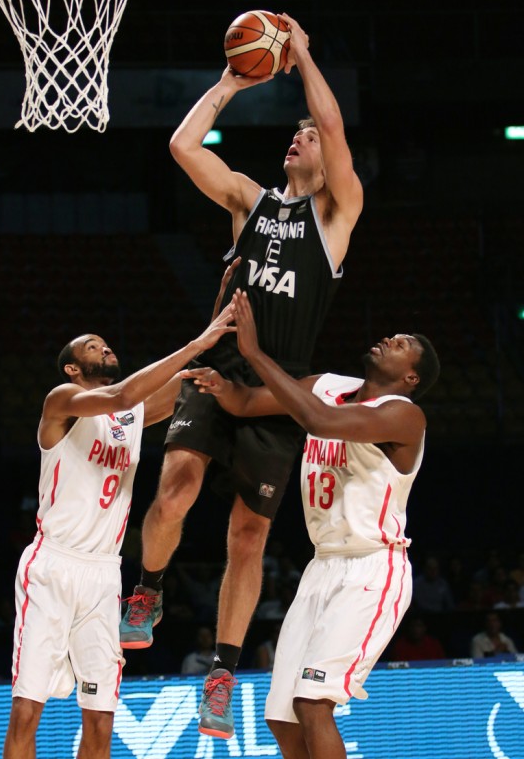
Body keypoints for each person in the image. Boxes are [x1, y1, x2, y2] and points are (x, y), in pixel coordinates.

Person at [120, 12, 364, 739]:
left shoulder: (337, 214)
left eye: (309, 135)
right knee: (173, 493)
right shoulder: (251, 203)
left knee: (247, 539)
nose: (301, 134)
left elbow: (333, 121)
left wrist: (306, 57)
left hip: (278, 393)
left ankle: (222, 669)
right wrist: (233, 79)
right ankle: (149, 590)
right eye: (294, 131)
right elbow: (181, 145)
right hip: (221, 368)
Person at [184, 289, 440, 758]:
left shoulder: (404, 415)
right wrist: (220, 386)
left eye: (401, 343)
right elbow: (246, 404)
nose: (388, 338)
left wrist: (255, 352)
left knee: (313, 703)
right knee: (281, 719)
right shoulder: (325, 385)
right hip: (322, 568)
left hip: (372, 568)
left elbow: (319, 422)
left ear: (410, 377)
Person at [2, 306, 235, 759]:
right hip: (52, 567)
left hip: (104, 576)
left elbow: (190, 380)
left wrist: (220, 323)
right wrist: (196, 343)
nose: (104, 346)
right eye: (92, 345)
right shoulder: (62, 400)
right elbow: (126, 394)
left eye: (105, 343)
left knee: (101, 716)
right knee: (27, 711)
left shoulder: (129, 416)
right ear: (73, 367)